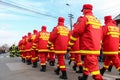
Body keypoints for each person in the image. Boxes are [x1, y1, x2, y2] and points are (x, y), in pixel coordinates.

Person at [67, 4, 103, 80]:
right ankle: (84, 77)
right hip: (96, 46)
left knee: (94, 69)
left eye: (82, 10)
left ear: (84, 10)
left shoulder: (85, 18)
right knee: (87, 62)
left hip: (88, 46)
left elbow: (77, 31)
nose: (82, 12)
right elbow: (101, 34)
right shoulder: (97, 20)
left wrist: (70, 44)